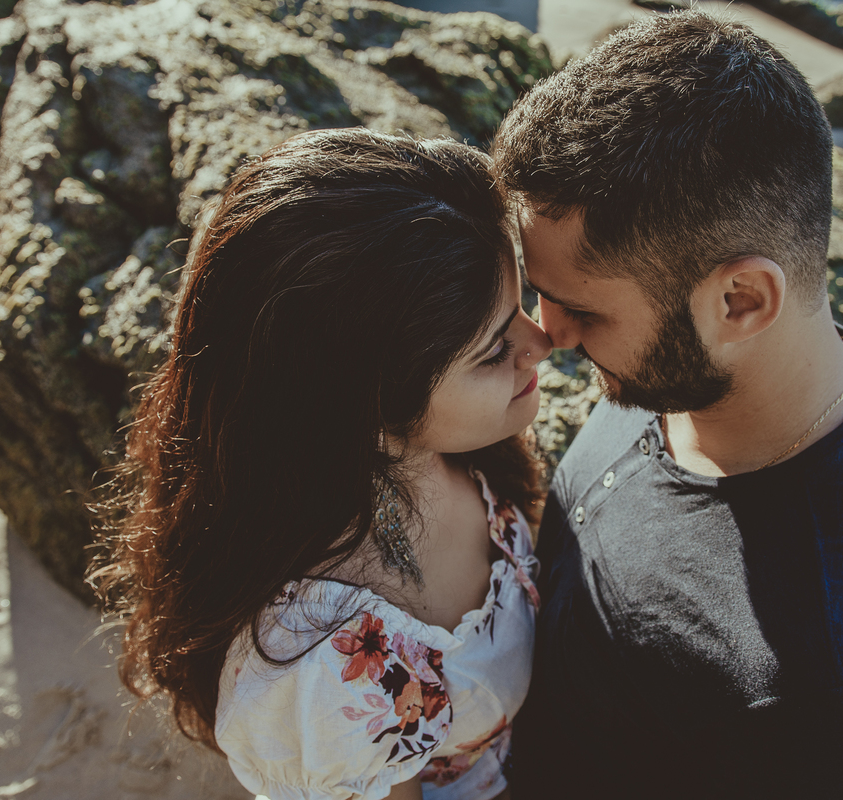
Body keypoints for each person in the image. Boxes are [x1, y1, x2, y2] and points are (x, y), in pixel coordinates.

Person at [490, 11, 843, 799]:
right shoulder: (683, 368)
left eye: (583, 312)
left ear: (741, 301)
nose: (545, 332)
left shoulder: (840, 685)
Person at [91, 128, 552, 800]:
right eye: (492, 349)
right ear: (363, 405)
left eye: (519, 308)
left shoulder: (458, 448)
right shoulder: (322, 661)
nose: (539, 342)